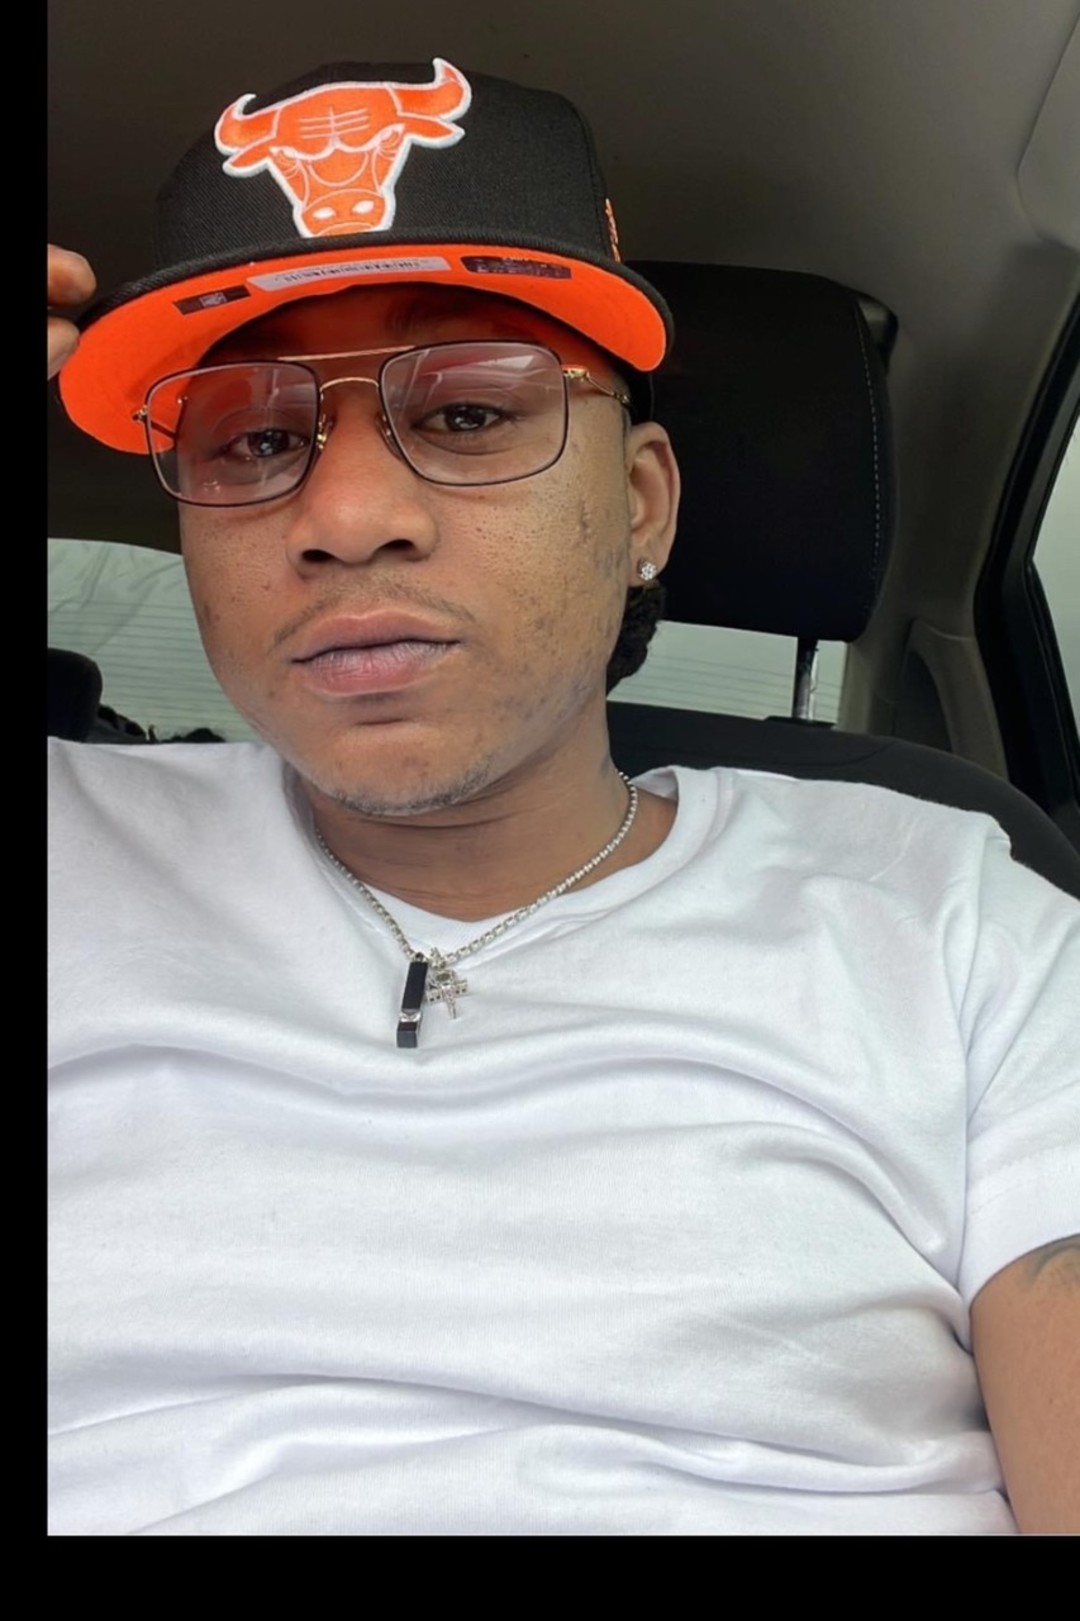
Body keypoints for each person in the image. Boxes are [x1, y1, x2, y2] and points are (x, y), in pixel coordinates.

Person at [48, 58, 1078, 1537]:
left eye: (471, 413)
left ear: (642, 504)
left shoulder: (956, 917)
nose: (348, 517)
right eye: (256, 439)